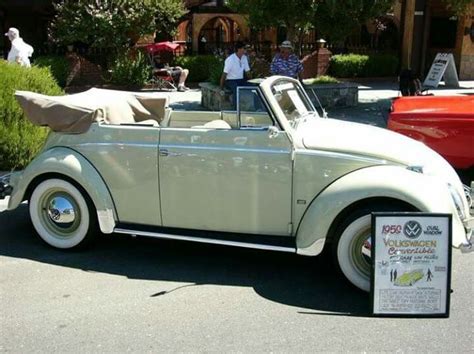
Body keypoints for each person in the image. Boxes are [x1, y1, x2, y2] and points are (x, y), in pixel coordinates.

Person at [220, 42, 251, 108]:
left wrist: (252, 81)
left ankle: (258, 108)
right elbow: (224, 74)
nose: (245, 50)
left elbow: (248, 72)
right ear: (239, 49)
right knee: (237, 89)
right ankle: (235, 110)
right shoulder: (230, 59)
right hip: (231, 80)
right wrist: (221, 88)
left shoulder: (244, 58)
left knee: (255, 87)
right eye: (244, 48)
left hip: (241, 80)